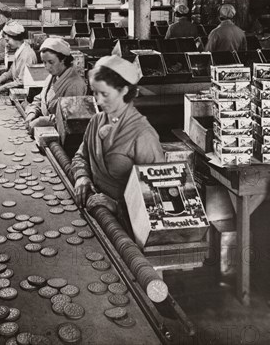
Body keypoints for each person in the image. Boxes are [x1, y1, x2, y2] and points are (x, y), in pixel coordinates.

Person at [71, 55, 165, 232]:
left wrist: (116, 206)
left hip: (126, 226)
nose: (98, 101)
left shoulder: (143, 135)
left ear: (123, 91)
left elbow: (158, 194)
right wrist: (82, 176)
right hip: (95, 212)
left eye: (104, 94)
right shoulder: (96, 121)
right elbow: (80, 156)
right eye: (94, 92)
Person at [24, 38, 87, 132]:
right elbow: (41, 98)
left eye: (51, 62)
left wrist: (42, 121)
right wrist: (32, 112)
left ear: (63, 59)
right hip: (48, 131)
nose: (47, 67)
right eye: (44, 62)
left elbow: (69, 119)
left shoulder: (75, 84)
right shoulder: (52, 76)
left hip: (62, 137)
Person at [0, 21, 37, 95]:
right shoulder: (19, 49)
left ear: (15, 38)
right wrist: (2, 78)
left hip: (25, 93)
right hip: (16, 87)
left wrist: (1, 88)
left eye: (8, 40)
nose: (7, 44)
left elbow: (21, 82)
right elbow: (12, 70)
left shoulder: (27, 55)